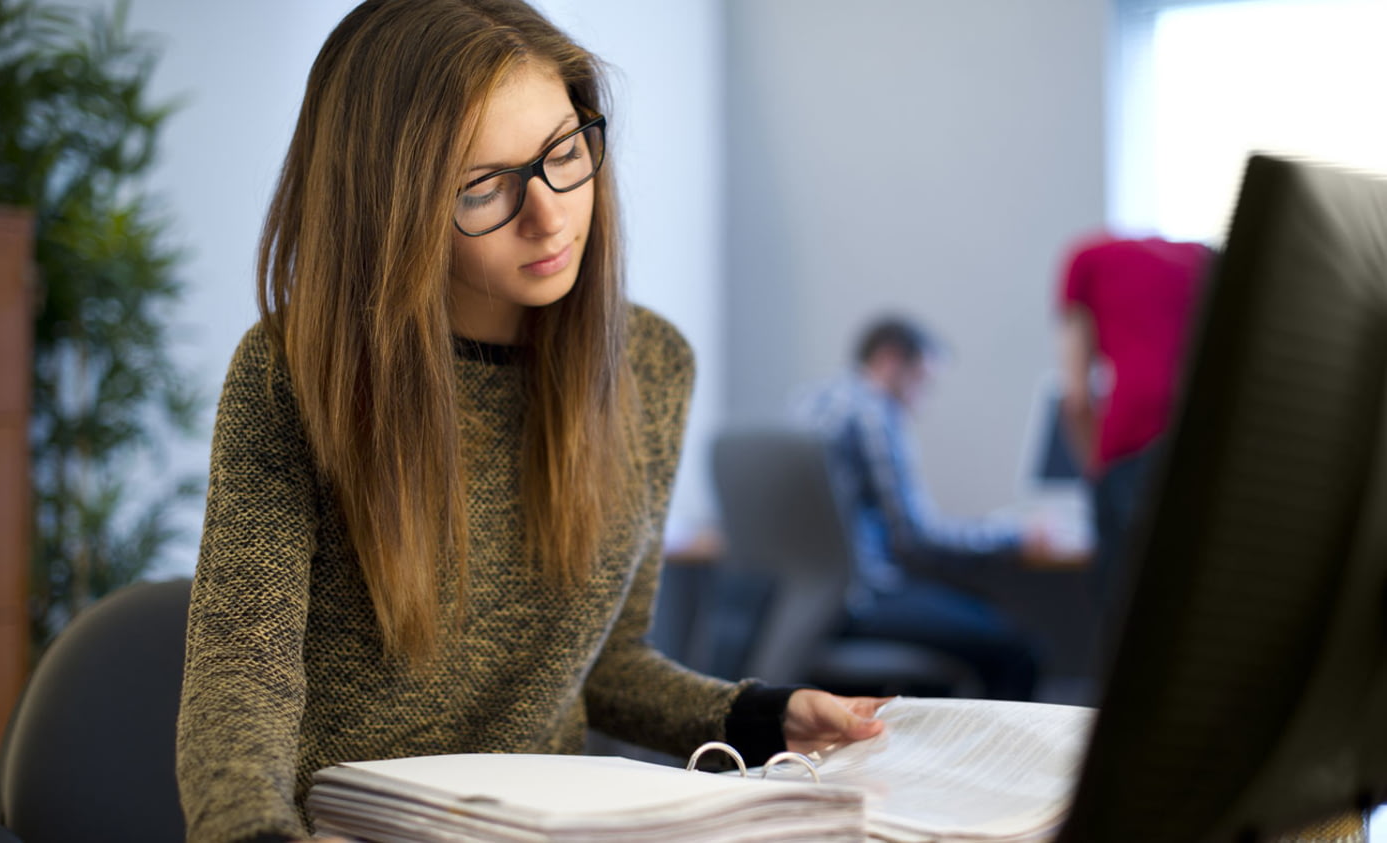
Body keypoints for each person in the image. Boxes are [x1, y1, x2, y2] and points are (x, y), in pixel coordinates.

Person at [174, 3, 888, 842]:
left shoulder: (650, 367)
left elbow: (605, 666)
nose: (548, 216)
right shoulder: (294, 371)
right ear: (388, 206)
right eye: (483, 186)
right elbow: (237, 690)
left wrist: (763, 716)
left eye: (563, 154)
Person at [796, 316, 1053, 701]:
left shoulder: (810, 402)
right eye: (922, 382)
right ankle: (989, 761)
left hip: (802, 606)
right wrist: (1015, 534)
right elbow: (917, 537)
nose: (921, 401)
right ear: (890, 360)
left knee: (967, 613)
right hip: (860, 600)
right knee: (1018, 651)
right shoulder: (873, 412)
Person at [1055, 233, 1213, 613]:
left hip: (1133, 436)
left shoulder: (1086, 257)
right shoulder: (1204, 259)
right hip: (1205, 433)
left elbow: (1076, 396)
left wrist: (1095, 472)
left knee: (1127, 601)